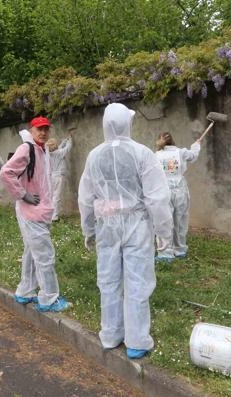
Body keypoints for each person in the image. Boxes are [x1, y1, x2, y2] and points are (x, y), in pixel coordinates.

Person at [77, 103, 173, 360]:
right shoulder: (142, 154)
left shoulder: (94, 155)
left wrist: (88, 228)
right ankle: (137, 340)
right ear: (126, 124)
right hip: (136, 224)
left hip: (106, 224)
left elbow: (85, 197)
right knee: (137, 280)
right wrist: (164, 231)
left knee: (107, 279)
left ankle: (110, 334)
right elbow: (157, 197)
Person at [0, 118, 68, 312]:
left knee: (31, 252)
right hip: (31, 212)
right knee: (45, 255)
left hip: (40, 210)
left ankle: (25, 291)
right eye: (40, 129)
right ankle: (49, 298)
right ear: (32, 129)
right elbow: (6, 173)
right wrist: (23, 195)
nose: (44, 133)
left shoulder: (42, 149)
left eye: (46, 129)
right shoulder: (26, 148)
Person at [154, 131, 201, 261]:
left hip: (163, 191)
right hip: (180, 190)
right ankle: (180, 250)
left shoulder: (156, 155)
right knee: (180, 221)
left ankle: (165, 253)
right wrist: (196, 145)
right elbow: (193, 155)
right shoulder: (181, 152)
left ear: (160, 141)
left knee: (164, 222)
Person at [47, 134, 73, 222]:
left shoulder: (48, 154)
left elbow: (60, 147)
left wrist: (64, 141)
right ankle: (54, 217)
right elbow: (67, 148)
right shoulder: (59, 153)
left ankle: (49, 215)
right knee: (56, 197)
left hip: (50, 177)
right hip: (58, 177)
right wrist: (69, 140)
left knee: (50, 196)